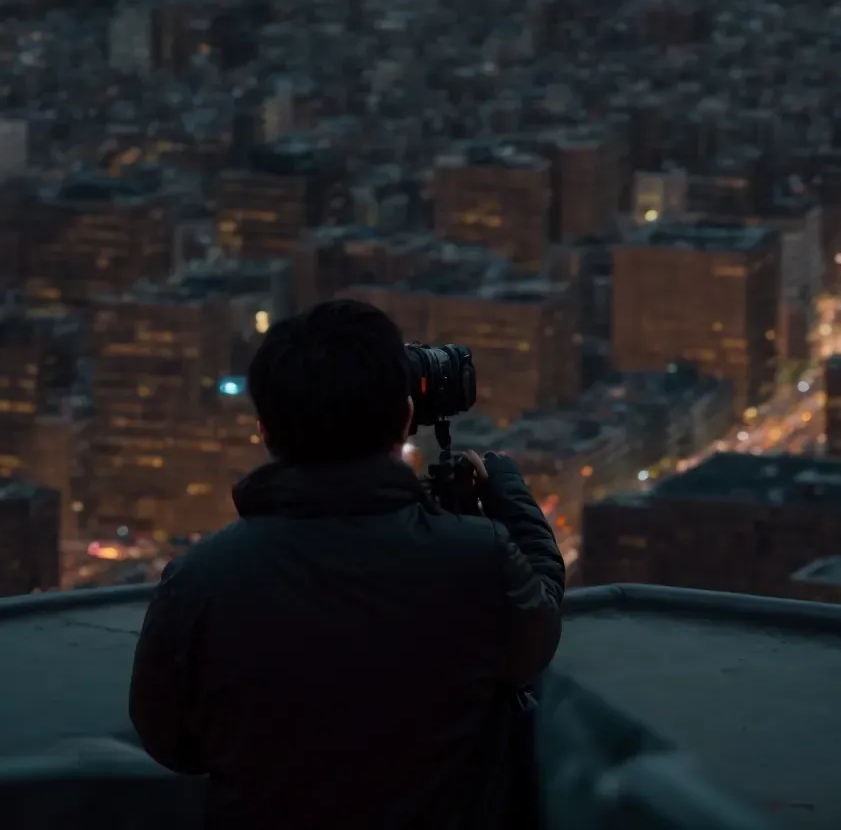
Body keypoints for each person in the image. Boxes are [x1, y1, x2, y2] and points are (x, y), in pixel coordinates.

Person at [129, 300, 567, 830]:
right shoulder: (476, 561)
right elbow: (535, 637)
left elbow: (171, 742)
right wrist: (509, 498)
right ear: (406, 418)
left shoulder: (198, 580)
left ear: (265, 431)